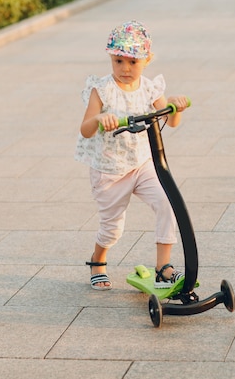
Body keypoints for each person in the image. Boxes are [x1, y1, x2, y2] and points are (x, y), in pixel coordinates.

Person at [74, 20, 189, 291]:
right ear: (110, 59)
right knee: (113, 226)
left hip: (142, 164)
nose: (125, 69)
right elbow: (86, 129)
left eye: (133, 62)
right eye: (118, 61)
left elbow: (170, 121)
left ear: (146, 61)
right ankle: (98, 260)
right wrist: (102, 118)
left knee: (166, 203)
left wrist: (176, 106)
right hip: (110, 170)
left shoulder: (149, 88)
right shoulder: (101, 90)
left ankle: (163, 267)